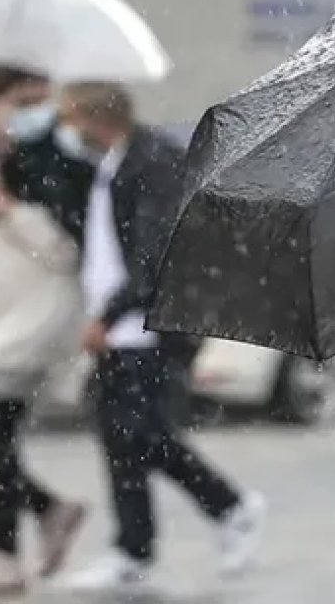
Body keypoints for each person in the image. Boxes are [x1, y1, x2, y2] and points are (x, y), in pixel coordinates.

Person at [52, 83, 266, 587]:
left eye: (70, 117)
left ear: (92, 116)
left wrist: (107, 315)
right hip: (122, 330)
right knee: (118, 436)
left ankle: (231, 505)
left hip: (146, 329)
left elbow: (152, 256)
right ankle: (134, 551)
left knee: (143, 434)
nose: (67, 129)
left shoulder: (153, 162)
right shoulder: (114, 162)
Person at [0, 134, 89, 596]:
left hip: (21, 343)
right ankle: (34, 524)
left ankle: (18, 541)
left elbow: (64, 255)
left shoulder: (24, 216)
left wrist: (3, 204)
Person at [0, 64, 93, 244]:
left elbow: (71, 245)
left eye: (41, 103)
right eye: (24, 103)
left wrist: (12, 211)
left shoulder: (56, 155)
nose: (33, 113)